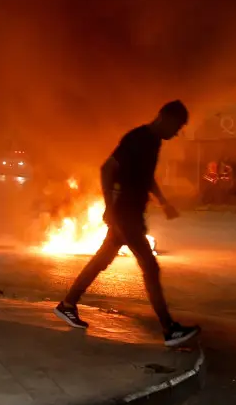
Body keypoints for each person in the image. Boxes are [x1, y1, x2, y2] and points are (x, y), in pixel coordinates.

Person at [54, 100, 201, 347]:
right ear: (164, 118)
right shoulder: (138, 138)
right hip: (124, 214)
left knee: (101, 260)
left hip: (131, 213)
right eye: (177, 127)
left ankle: (67, 304)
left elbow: (146, 176)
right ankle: (169, 330)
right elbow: (106, 169)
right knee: (150, 267)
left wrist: (163, 201)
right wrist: (109, 209)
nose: (176, 134)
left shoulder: (153, 142)